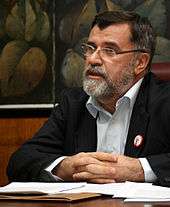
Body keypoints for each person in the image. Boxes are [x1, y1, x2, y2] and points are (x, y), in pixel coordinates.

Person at [7, 10, 170, 187]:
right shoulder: (73, 104)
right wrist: (65, 167)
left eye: (110, 50)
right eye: (90, 48)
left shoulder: (164, 101)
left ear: (140, 63)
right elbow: (20, 161)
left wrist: (139, 169)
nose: (93, 59)